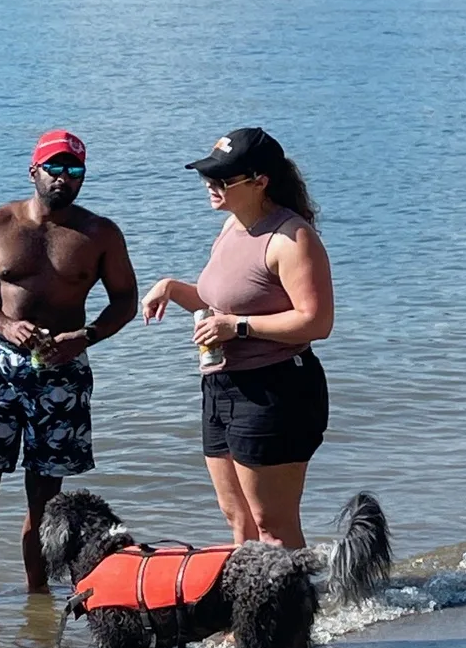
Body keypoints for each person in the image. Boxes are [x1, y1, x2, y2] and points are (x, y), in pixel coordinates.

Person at [0, 131, 138, 592]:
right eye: (55, 168)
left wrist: (87, 336)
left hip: (63, 371)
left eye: (74, 171)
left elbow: (125, 299)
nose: (64, 179)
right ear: (34, 171)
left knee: (47, 498)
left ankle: (38, 596)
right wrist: (2, 323)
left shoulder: (99, 233)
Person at [141, 126, 334, 549]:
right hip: (220, 385)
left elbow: (316, 322)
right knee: (239, 521)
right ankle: (248, 613)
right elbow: (220, 301)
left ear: (260, 181)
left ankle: (297, 612)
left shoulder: (292, 237)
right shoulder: (232, 226)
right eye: (207, 176)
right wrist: (173, 288)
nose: (211, 186)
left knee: (273, 528)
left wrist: (238, 327)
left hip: (277, 387)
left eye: (222, 179)